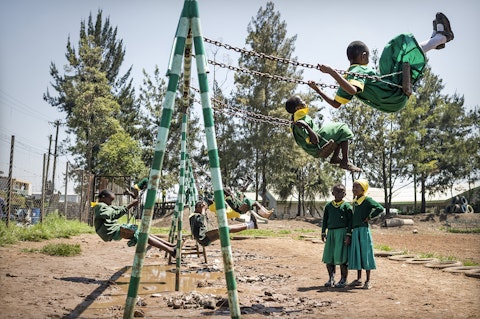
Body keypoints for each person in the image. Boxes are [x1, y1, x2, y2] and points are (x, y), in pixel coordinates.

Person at [308, 12, 454, 113]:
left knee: (398, 59)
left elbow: (336, 104)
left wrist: (318, 90)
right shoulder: (357, 71)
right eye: (368, 57)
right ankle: (441, 38)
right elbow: (352, 90)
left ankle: (435, 41)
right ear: (364, 56)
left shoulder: (347, 78)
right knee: (392, 51)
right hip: (394, 95)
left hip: (391, 103)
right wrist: (331, 72)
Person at [285, 95, 361, 172]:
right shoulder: (300, 122)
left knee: (337, 132)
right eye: (302, 102)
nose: (305, 102)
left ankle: (335, 157)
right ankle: (345, 161)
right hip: (317, 146)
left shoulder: (296, 118)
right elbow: (314, 141)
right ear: (298, 108)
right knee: (342, 128)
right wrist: (307, 126)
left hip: (315, 145)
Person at [94, 189, 176, 257]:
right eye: (110, 200)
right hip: (111, 232)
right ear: (103, 198)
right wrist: (130, 205)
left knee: (145, 233)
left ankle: (170, 246)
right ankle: (171, 251)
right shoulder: (101, 206)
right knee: (142, 235)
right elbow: (114, 215)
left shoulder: (106, 206)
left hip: (114, 230)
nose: (111, 203)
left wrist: (131, 204)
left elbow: (118, 208)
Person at [348, 179, 385, 289]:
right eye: (353, 187)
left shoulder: (367, 200)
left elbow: (380, 208)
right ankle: (359, 279)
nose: (354, 189)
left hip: (363, 230)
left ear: (363, 189)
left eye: (357, 187)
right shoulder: (355, 202)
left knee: (365, 253)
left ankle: (368, 280)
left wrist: (369, 217)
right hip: (355, 230)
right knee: (358, 254)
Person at [321, 183, 352, 288]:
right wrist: (323, 231)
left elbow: (350, 221)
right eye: (337, 191)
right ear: (332, 193)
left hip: (342, 233)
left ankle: (344, 279)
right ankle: (331, 278)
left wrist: (348, 234)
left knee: (342, 257)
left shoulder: (347, 206)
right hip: (331, 233)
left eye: (342, 192)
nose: (339, 193)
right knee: (329, 257)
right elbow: (325, 220)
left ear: (345, 193)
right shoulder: (329, 206)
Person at [189, 200, 258, 247]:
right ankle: (251, 225)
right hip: (203, 238)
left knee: (227, 228)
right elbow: (200, 222)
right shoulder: (194, 216)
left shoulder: (194, 216)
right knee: (226, 229)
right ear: (199, 207)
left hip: (204, 237)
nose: (205, 210)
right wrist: (203, 210)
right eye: (205, 208)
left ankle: (250, 224)